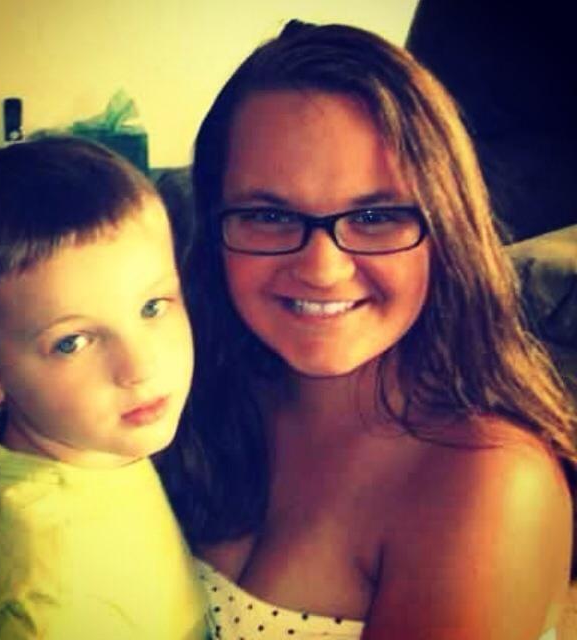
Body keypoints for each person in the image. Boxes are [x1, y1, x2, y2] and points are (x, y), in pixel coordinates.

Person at [159, 20, 577, 640]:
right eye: (268, 214)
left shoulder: (488, 481)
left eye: (377, 215)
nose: (322, 269)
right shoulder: (196, 398)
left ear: (447, 225)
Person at [0, 137, 207, 639]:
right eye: (72, 342)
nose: (140, 368)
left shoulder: (84, 435)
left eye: (152, 307)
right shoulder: (48, 607)